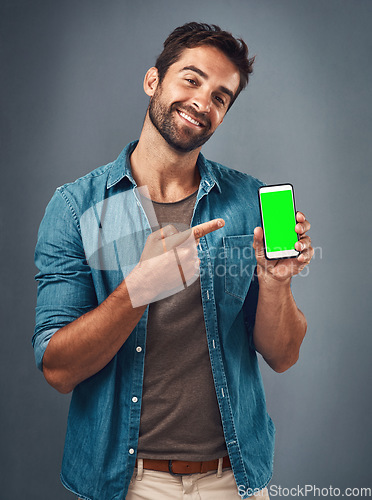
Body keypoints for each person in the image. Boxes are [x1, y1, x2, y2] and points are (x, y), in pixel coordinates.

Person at [33, 22, 314, 500]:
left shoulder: (249, 201)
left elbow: (283, 356)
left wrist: (274, 283)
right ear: (153, 81)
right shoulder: (76, 208)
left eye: (221, 96)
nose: (204, 101)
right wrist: (138, 289)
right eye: (191, 79)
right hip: (124, 484)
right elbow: (58, 370)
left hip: (235, 480)